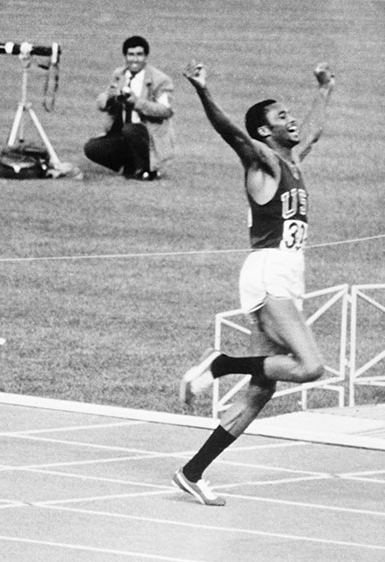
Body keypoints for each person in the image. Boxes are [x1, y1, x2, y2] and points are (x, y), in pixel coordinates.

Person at [175, 60, 335, 506]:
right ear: (265, 133)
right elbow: (231, 132)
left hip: (282, 274)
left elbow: (316, 129)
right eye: (282, 116)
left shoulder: (293, 160)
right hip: (270, 272)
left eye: (291, 114)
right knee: (311, 367)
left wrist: (325, 88)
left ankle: (192, 471)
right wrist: (203, 90)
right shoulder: (262, 161)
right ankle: (221, 363)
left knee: (261, 391)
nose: (292, 119)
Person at [83, 35, 174, 181]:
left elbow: (165, 111)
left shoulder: (160, 80)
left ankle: (146, 168)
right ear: (125, 56)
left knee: (131, 129)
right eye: (131, 55)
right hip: (121, 132)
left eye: (139, 55)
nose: (135, 59)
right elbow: (101, 102)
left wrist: (137, 102)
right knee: (92, 148)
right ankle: (129, 165)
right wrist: (109, 98)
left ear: (146, 56)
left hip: (146, 134)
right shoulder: (119, 74)